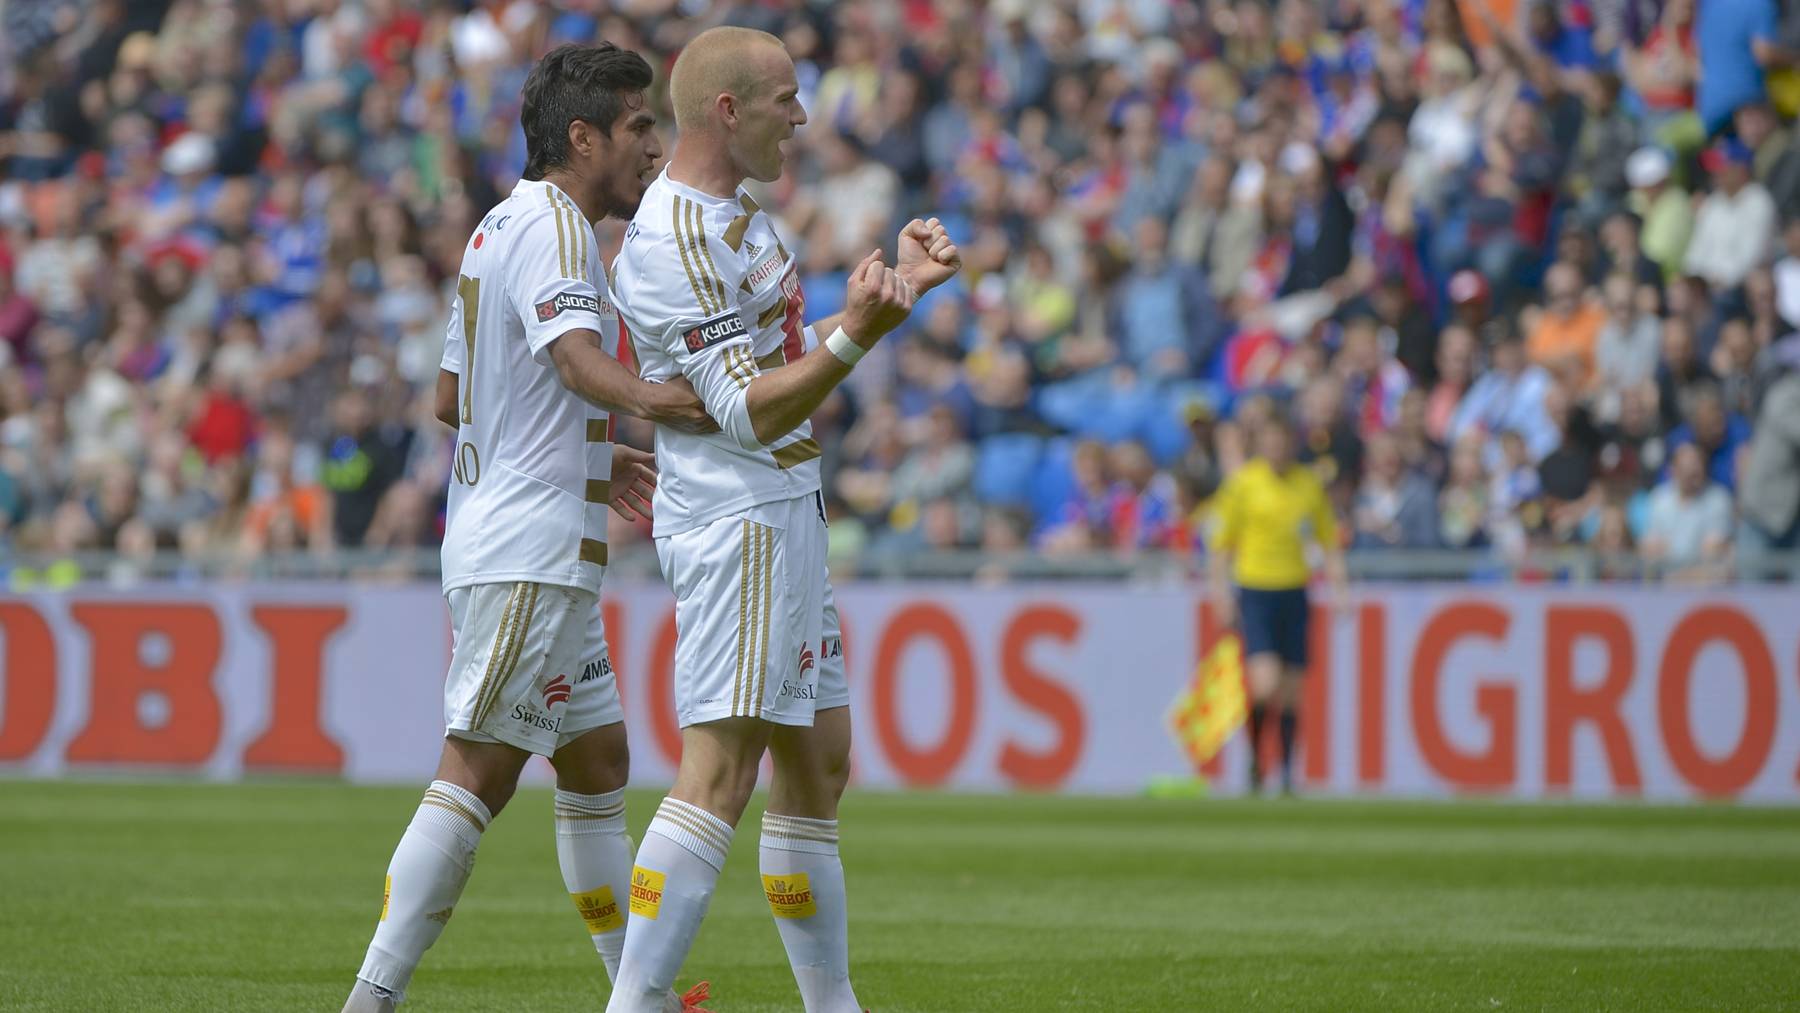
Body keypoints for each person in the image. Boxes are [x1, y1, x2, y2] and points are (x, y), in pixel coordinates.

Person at [342, 44, 716, 1013]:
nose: (652, 145)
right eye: (639, 127)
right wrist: (666, 404)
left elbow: (451, 395)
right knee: (478, 768)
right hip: (529, 555)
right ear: (582, 137)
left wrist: (594, 453)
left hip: (532, 539)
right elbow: (583, 363)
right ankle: (370, 996)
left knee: (597, 759)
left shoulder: (496, 225)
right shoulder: (558, 230)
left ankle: (633, 989)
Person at [606, 26, 960, 1013]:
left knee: (821, 761)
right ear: (729, 110)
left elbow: (783, 356)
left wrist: (893, 291)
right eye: (786, 102)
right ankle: (631, 1002)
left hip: (786, 507)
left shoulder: (741, 215)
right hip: (741, 517)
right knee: (719, 773)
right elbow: (748, 405)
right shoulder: (677, 239)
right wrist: (863, 332)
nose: (804, 121)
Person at [1208, 416, 1346, 795]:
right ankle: (1255, 757)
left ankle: (1285, 771)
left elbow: (1328, 541)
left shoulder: (1307, 485)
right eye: (1269, 441)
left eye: (1282, 441)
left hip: (1294, 589)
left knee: (1291, 691)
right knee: (1264, 684)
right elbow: (1221, 545)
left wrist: (1340, 589)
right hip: (1256, 589)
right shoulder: (1244, 484)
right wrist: (1220, 593)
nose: (1276, 449)